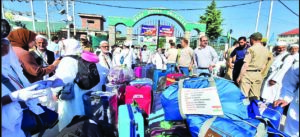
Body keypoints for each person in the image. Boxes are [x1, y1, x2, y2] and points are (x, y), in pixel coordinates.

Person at [47, 39, 104, 131]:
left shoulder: (67, 60)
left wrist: (55, 92)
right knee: (82, 115)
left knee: (69, 119)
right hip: (84, 91)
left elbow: (62, 79)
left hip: (71, 95)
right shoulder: (84, 58)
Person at [1, 37, 49, 137]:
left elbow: (20, 86)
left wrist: (37, 85)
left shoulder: (9, 66)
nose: (4, 46)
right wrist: (14, 96)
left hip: (21, 122)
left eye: (5, 42)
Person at [237, 32, 270, 100]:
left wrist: (239, 77)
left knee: (244, 95)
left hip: (248, 73)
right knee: (255, 96)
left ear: (252, 39)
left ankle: (244, 109)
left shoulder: (251, 49)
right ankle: (254, 109)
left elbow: (245, 65)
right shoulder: (266, 50)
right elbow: (265, 65)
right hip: (258, 74)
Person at [273, 60, 299, 137]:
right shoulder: (297, 66)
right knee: (291, 133)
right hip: (296, 110)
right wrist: (285, 98)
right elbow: (290, 82)